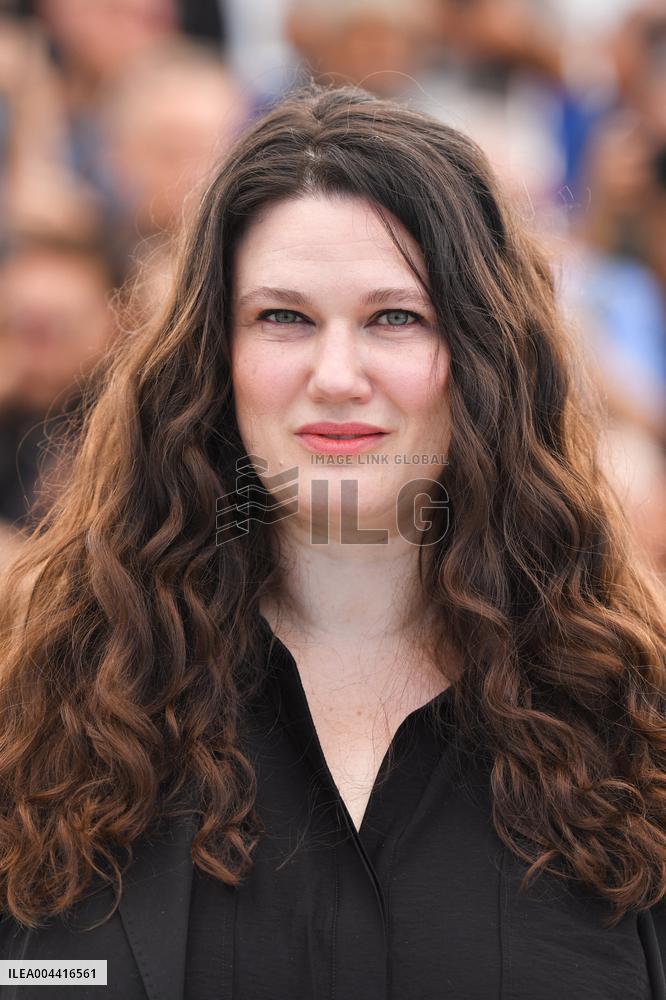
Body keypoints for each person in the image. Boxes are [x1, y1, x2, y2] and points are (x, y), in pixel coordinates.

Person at [0, 83, 665, 1000]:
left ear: (482, 359)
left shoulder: (635, 720)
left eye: (396, 317)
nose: (337, 375)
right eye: (284, 317)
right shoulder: (45, 704)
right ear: (212, 359)